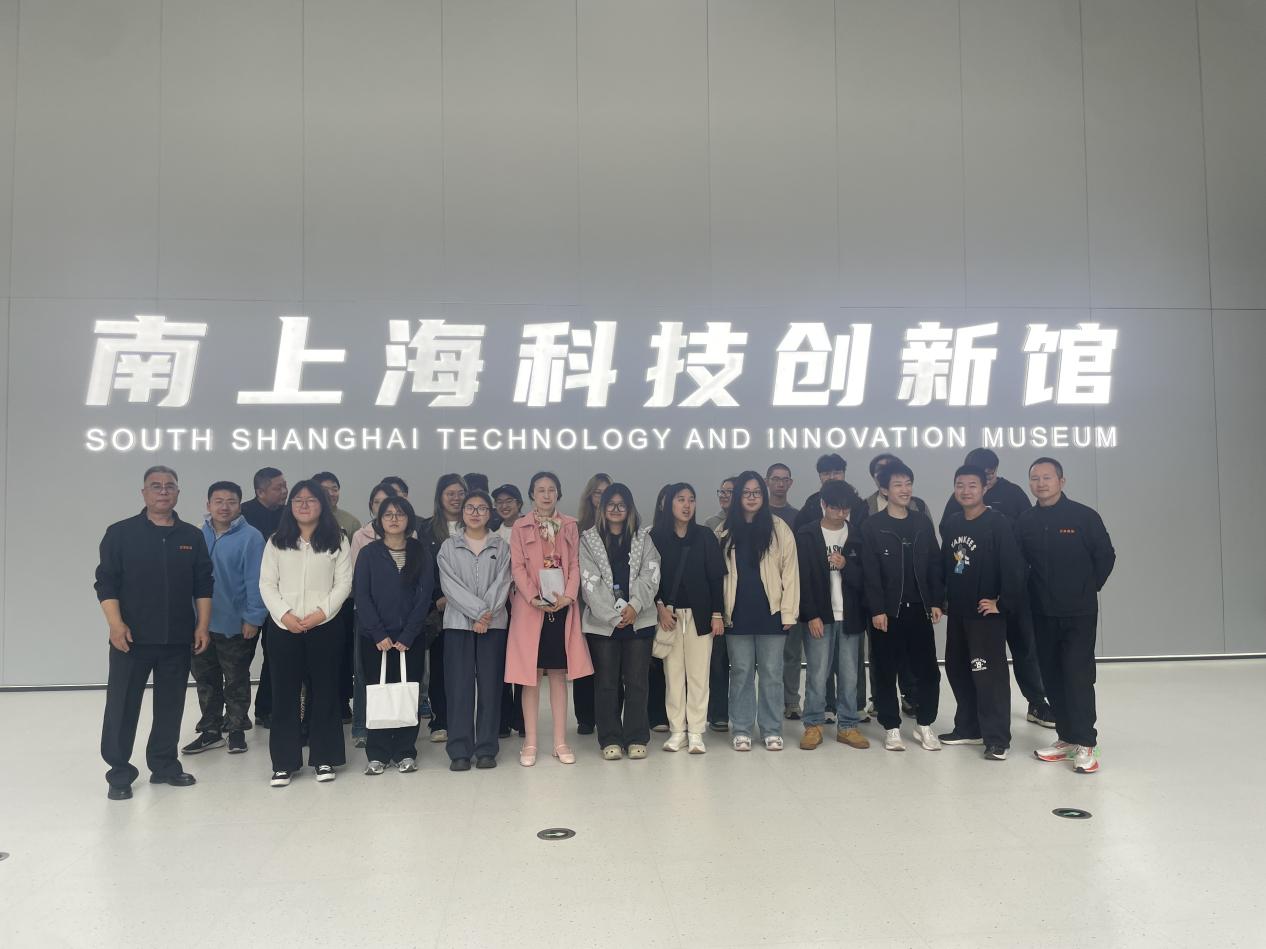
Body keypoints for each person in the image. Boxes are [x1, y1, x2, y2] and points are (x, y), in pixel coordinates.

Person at [96, 466, 213, 800]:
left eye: (169, 486)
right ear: (144, 493)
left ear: (178, 493)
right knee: (122, 706)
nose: (163, 491)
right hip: (131, 638)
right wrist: (115, 625)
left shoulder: (191, 536)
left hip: (177, 637)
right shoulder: (120, 533)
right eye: (156, 486)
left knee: (170, 706)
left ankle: (164, 765)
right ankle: (119, 773)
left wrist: (202, 625)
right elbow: (106, 583)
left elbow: (203, 584)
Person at [938, 449, 1053, 729]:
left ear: (994, 474)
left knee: (1023, 649)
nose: (969, 489)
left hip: (1011, 591)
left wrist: (1009, 590)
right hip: (976, 600)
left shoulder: (1012, 495)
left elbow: (1027, 532)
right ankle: (974, 721)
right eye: (963, 484)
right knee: (978, 661)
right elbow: (950, 541)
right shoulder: (958, 501)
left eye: (986, 476)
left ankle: (1037, 702)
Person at [1019, 458, 1116, 774]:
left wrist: (1086, 588)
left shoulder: (1083, 516)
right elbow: (1020, 564)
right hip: (1042, 613)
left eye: (1047, 477)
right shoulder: (1026, 521)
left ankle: (1086, 742)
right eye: (1035, 478)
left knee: (1077, 675)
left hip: (1078, 613)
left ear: (1061, 481)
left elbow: (1105, 556)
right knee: (1052, 676)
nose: (1041, 483)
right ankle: (1066, 737)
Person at [258, 480, 352, 787]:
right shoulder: (277, 541)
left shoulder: (337, 539)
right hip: (284, 627)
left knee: (325, 692)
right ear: (290, 506)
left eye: (311, 499)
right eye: (298, 500)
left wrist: (320, 614)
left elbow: (344, 583)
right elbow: (266, 584)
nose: (304, 504)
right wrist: (285, 615)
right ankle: (284, 763)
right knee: (284, 695)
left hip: (325, 626)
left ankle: (324, 758)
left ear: (322, 504)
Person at [507, 472, 593, 766]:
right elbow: (517, 567)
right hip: (531, 608)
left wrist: (568, 595)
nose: (546, 495)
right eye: (540, 490)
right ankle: (530, 742)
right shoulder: (520, 526)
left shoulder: (570, 525)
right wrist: (533, 597)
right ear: (532, 494)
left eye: (551, 490)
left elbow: (576, 564)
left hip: (562, 606)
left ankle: (560, 741)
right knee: (530, 677)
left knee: (558, 675)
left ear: (558, 494)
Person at [939, 465, 1025, 760]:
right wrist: (941, 599)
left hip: (985, 617)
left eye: (972, 485)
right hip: (958, 613)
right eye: (960, 485)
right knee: (958, 669)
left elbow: (1013, 567)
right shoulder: (952, 523)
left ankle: (997, 738)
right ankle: (968, 728)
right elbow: (946, 564)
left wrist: (1002, 603)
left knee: (988, 676)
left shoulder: (997, 523)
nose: (965, 491)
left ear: (985, 488)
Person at [860, 462, 944, 753]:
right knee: (886, 671)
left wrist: (936, 601)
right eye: (898, 484)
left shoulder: (921, 522)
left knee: (928, 671)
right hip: (887, 612)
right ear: (884, 490)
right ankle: (891, 727)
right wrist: (877, 609)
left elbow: (934, 563)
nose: (905, 489)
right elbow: (869, 572)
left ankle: (925, 724)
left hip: (919, 608)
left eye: (908, 483)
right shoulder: (872, 525)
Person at [182, 481, 267, 757]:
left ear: (240, 505)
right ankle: (210, 730)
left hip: (236, 623)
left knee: (236, 679)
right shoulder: (196, 535)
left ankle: (237, 729)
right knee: (205, 679)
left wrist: (253, 617)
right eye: (218, 501)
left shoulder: (251, 537)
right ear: (208, 505)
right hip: (200, 625)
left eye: (231, 501)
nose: (224, 507)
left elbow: (256, 580)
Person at [716, 471, 799, 752]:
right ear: (738, 496)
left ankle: (771, 729)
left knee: (772, 674)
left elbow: (790, 573)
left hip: (771, 613)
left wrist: (789, 612)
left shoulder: (779, 528)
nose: (752, 497)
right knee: (741, 673)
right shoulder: (724, 531)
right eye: (746, 492)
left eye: (757, 492)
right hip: (736, 614)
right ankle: (741, 729)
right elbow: (717, 576)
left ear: (763, 496)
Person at [579, 483, 661, 760]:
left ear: (630, 508)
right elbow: (589, 582)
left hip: (639, 620)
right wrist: (614, 616)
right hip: (603, 624)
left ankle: (636, 736)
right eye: (610, 504)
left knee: (637, 682)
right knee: (606, 683)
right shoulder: (589, 540)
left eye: (621, 504)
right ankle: (610, 738)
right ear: (602, 508)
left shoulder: (643, 538)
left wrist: (635, 606)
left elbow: (651, 574)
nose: (616, 509)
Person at [354, 495, 432, 776]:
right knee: (378, 693)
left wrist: (409, 633)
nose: (394, 519)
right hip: (375, 638)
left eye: (400, 514)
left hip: (410, 637)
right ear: (380, 520)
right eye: (388, 514)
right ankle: (377, 753)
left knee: (408, 692)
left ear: (409, 519)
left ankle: (405, 751)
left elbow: (425, 596)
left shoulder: (420, 552)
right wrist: (378, 633)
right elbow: (361, 595)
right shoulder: (368, 553)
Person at [439, 490, 513, 771]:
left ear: (489, 513)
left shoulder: (501, 546)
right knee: (459, 688)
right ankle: (459, 750)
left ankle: (486, 749)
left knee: (490, 687)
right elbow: (450, 586)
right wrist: (478, 612)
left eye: (482, 508)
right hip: (458, 625)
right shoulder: (449, 546)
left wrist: (485, 614)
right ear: (463, 512)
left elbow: (503, 582)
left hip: (493, 625)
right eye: (470, 507)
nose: (475, 513)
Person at [795, 479, 869, 751]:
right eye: (835, 508)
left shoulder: (857, 535)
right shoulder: (807, 534)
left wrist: (846, 565)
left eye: (845, 509)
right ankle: (813, 725)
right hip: (820, 616)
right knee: (817, 673)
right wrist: (811, 614)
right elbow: (801, 578)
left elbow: (866, 578)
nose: (840, 514)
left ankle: (848, 725)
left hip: (850, 616)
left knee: (850, 675)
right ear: (823, 504)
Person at [651, 482, 725, 754]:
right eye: (680, 499)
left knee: (698, 675)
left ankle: (695, 731)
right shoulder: (655, 537)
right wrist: (659, 607)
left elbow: (716, 578)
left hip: (700, 615)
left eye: (691, 500)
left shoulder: (705, 535)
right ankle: (677, 731)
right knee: (673, 676)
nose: (686, 505)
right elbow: (649, 578)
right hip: (668, 617)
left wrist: (717, 614)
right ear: (669, 503)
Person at [349, 481, 400, 748]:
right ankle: (362, 726)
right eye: (378, 503)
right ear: (371, 507)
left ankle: (396, 725)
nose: (384, 509)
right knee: (364, 672)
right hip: (367, 616)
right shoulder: (361, 536)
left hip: (398, 616)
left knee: (396, 673)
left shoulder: (409, 536)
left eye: (389, 504)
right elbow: (358, 582)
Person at [419, 475, 467, 746]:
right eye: (450, 493)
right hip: (441, 608)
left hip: (473, 607)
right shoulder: (426, 529)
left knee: (468, 668)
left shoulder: (476, 523)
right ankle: (441, 721)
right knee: (440, 667)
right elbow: (424, 568)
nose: (456, 498)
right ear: (440, 497)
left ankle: (465, 720)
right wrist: (437, 598)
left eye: (460, 493)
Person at [314, 470, 361, 724]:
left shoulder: (350, 522)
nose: (331, 493)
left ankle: (343, 703)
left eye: (335, 488)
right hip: (312, 602)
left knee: (342, 654)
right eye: (324, 489)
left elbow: (355, 563)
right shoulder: (304, 520)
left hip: (343, 600)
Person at [242, 466, 287, 729]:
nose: (284, 491)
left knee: (274, 656)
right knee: (239, 659)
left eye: (284, 486)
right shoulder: (243, 514)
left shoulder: (288, 514)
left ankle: (266, 708)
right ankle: (234, 715)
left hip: (278, 596)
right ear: (260, 491)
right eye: (278, 488)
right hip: (248, 597)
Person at [573, 472, 611, 735]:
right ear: (590, 496)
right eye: (598, 492)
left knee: (611, 665)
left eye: (607, 492)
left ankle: (610, 716)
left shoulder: (621, 525)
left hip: (614, 606)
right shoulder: (577, 529)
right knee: (585, 661)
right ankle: (586, 717)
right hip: (584, 604)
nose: (603, 497)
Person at [492, 483, 525, 736]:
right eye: (499, 502)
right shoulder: (492, 534)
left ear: (520, 504)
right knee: (500, 663)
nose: (504, 506)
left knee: (524, 662)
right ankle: (502, 721)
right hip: (499, 604)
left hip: (525, 604)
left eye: (509, 501)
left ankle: (522, 720)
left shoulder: (529, 528)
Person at [765, 463, 799, 528]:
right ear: (766, 482)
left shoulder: (797, 516)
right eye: (776, 479)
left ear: (790, 483)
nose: (781, 484)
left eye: (785, 480)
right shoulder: (759, 512)